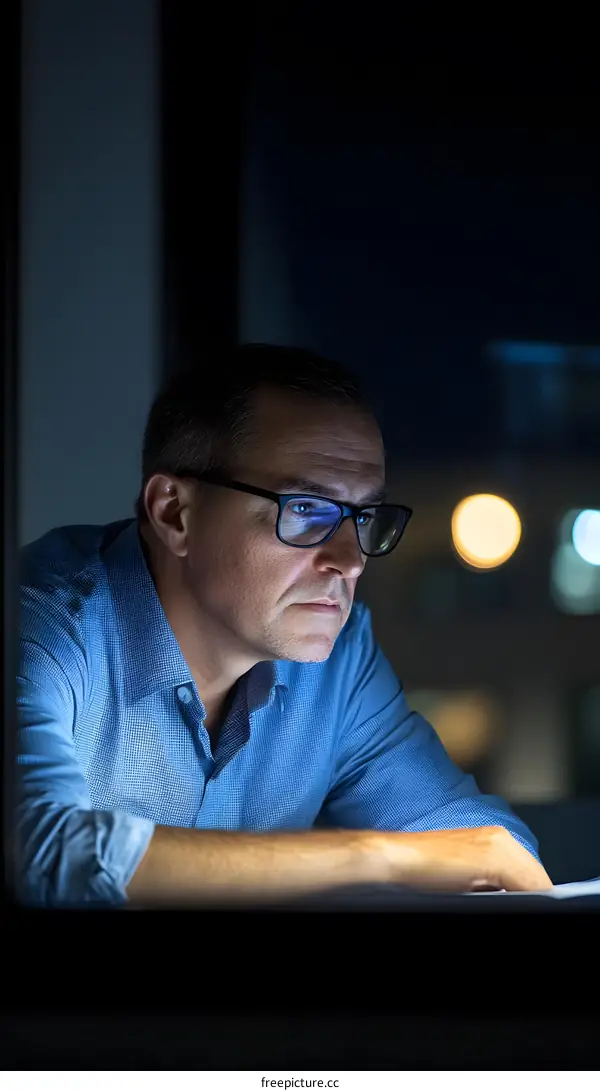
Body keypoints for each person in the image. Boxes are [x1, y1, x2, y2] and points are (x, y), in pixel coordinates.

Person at [16, 343, 551, 906]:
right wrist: (375, 855)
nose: (349, 560)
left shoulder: (339, 661)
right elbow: (41, 853)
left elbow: (485, 849)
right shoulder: (41, 626)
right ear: (175, 512)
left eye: (363, 516)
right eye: (304, 509)